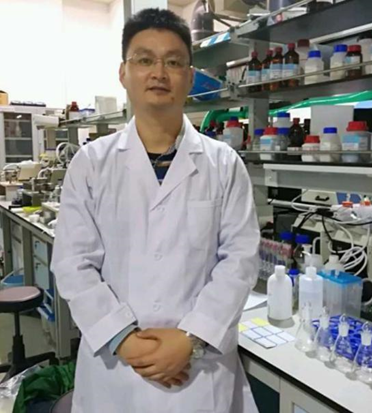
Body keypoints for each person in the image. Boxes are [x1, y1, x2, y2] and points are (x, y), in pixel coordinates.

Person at [51, 8, 260, 413]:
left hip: (199, 371)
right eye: (145, 60)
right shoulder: (91, 163)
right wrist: (125, 340)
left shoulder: (224, 163)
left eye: (173, 62)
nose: (159, 73)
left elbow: (240, 261)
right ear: (123, 73)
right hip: (117, 369)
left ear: (190, 76)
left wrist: (190, 339)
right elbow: (73, 265)